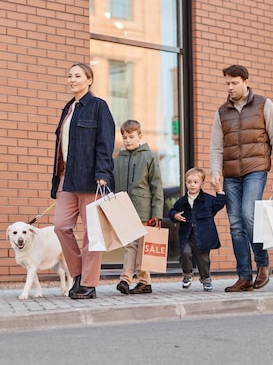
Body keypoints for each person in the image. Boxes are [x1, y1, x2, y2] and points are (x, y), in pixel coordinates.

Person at [210, 64, 273, 292]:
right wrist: (215, 172)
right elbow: (216, 148)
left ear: (245, 81)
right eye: (227, 83)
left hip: (256, 170)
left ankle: (263, 264)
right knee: (235, 225)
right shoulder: (222, 111)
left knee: (248, 215)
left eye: (234, 83)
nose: (230, 87)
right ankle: (244, 276)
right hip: (231, 174)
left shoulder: (263, 104)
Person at [51, 63, 115, 299]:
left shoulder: (98, 106)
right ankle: (78, 273)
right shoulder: (68, 109)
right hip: (67, 177)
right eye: (69, 76)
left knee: (92, 233)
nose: (72, 79)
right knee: (61, 226)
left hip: (91, 177)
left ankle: (88, 283)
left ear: (89, 80)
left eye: (77, 76)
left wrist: (102, 174)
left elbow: (105, 143)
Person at [113, 119, 164, 295]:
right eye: (125, 137)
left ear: (140, 136)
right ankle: (133, 280)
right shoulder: (118, 159)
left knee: (141, 246)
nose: (128, 140)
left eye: (131, 136)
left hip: (143, 208)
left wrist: (157, 213)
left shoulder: (149, 157)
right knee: (131, 245)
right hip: (124, 208)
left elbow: (157, 186)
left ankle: (135, 280)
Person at [169, 167, 226, 292]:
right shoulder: (182, 201)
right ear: (185, 183)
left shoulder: (208, 199)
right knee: (184, 253)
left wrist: (219, 190)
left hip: (203, 236)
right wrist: (174, 215)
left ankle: (206, 279)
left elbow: (220, 203)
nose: (192, 185)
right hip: (187, 235)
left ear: (201, 183)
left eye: (195, 182)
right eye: (189, 182)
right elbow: (172, 210)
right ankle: (187, 274)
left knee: (203, 259)